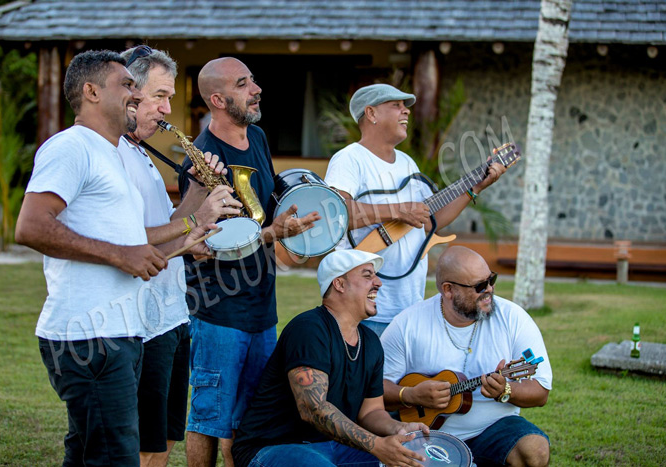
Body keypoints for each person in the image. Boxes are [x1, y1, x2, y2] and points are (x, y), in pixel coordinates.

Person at [15, 49, 176, 466]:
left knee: (89, 452)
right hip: (89, 334)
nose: (137, 96)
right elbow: (30, 226)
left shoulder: (112, 153)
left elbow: (131, 243)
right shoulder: (71, 147)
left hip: (119, 332)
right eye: (127, 86)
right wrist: (120, 255)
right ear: (90, 91)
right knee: (113, 456)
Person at [178, 57, 319, 467]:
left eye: (253, 80)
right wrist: (276, 234)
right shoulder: (203, 157)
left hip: (262, 306)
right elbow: (201, 236)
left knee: (249, 417)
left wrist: (303, 216)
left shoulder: (255, 137)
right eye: (243, 84)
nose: (256, 89)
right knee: (209, 417)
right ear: (218, 99)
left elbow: (269, 202)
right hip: (218, 310)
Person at [119, 45, 242, 467]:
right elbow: (134, 242)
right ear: (128, 92)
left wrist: (198, 193)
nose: (168, 109)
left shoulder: (142, 153)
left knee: (164, 440)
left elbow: (169, 227)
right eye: (160, 96)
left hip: (171, 314)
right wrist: (198, 220)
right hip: (141, 322)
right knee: (143, 446)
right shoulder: (114, 154)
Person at [324, 83, 507, 336]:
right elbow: (336, 215)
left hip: (407, 302)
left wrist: (475, 188)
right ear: (371, 114)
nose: (406, 112)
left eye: (405, 106)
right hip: (364, 308)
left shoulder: (407, 163)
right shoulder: (349, 159)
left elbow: (430, 221)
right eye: (396, 105)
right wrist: (398, 210)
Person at [231, 249, 430, 467]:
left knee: (413, 462)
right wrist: (376, 445)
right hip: (274, 446)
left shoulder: (371, 343)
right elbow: (312, 409)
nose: (378, 283)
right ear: (339, 284)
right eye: (367, 275)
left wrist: (397, 429)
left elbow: (371, 411)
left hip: (333, 446)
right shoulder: (309, 329)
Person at [380, 246, 552, 466]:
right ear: (449, 290)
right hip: (427, 433)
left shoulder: (513, 318)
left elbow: (541, 392)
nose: (489, 290)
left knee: (534, 450)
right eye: (479, 286)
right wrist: (410, 395)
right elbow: (375, 389)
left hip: (494, 426)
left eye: (491, 280)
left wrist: (506, 390)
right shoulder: (408, 324)